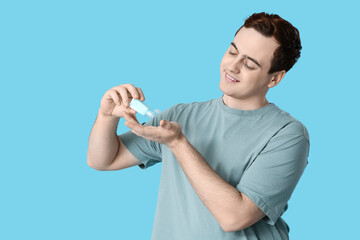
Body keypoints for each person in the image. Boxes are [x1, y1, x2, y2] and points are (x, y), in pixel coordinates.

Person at [87, 12, 310, 240]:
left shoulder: (287, 134)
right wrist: (106, 116)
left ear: (274, 78)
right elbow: (103, 159)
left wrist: (178, 144)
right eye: (232, 51)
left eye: (249, 64)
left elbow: (235, 217)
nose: (232, 66)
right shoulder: (181, 116)